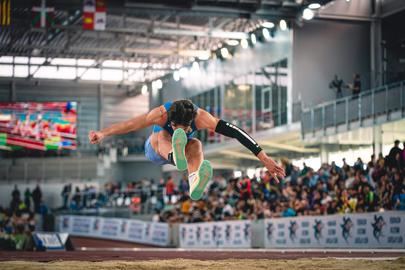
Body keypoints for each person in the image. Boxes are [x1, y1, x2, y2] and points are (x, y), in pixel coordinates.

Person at [89, 99, 285, 200]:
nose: (180, 130)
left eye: (185, 129)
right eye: (177, 127)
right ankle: (175, 155)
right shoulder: (160, 114)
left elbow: (237, 132)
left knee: (197, 145)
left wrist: (264, 158)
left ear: (192, 122)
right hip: (154, 149)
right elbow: (131, 124)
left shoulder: (201, 117)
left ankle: (194, 182)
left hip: (184, 152)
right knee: (162, 136)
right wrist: (104, 133)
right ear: (169, 120)